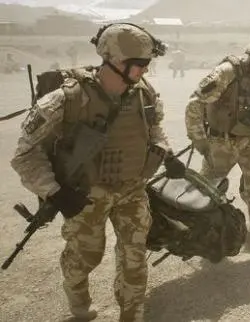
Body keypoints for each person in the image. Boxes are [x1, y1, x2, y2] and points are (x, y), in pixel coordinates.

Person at [10, 23, 185, 321]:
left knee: (134, 257)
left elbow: (154, 129)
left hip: (132, 189)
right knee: (84, 257)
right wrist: (54, 192)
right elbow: (25, 153)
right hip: (85, 194)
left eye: (147, 64)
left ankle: (131, 313)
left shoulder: (144, 93)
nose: (145, 71)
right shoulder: (67, 98)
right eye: (139, 64)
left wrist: (164, 152)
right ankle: (78, 305)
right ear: (115, 61)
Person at [185, 36, 250, 255]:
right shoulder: (226, 72)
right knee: (208, 192)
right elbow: (194, 104)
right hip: (221, 142)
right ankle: (199, 238)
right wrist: (200, 140)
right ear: (249, 55)